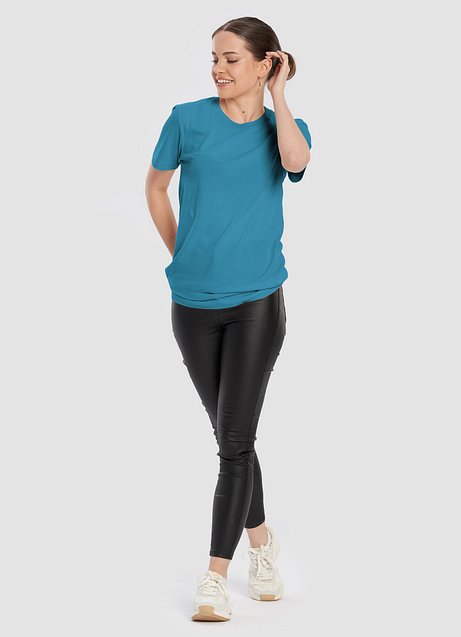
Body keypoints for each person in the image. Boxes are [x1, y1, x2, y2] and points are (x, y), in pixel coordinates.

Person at [145, 16, 312, 622]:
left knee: (234, 444)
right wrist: (181, 253)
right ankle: (262, 546)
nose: (218, 69)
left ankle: (215, 577)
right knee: (231, 438)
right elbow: (156, 188)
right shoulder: (186, 120)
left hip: (256, 303)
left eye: (232, 59)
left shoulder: (283, 128)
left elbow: (297, 163)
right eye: (214, 58)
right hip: (191, 304)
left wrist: (279, 97)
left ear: (266, 63)